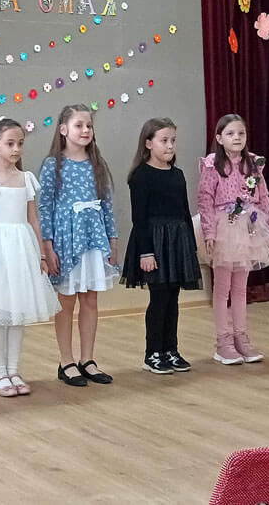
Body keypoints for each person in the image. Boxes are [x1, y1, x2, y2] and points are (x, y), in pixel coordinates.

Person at [0, 117, 60, 396]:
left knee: (17, 312)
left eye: (20, 143)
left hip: (21, 248)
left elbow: (33, 219)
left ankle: (14, 370)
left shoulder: (26, 178)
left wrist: (41, 255)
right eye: (10, 143)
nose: (16, 149)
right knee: (0, 312)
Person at [39, 104, 118, 387]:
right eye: (79, 125)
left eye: (89, 126)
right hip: (66, 240)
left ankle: (88, 359)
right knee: (66, 301)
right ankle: (66, 361)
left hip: (92, 238)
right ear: (64, 130)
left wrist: (112, 239)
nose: (85, 130)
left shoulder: (97, 164)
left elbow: (107, 204)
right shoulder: (53, 165)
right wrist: (47, 246)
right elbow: (44, 207)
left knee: (90, 300)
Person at [120, 118, 201, 374]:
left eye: (173, 140)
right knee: (159, 298)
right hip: (154, 242)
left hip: (176, 241)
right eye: (164, 140)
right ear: (148, 143)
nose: (170, 146)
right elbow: (139, 218)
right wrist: (146, 252)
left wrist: (190, 246)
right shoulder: (141, 176)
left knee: (173, 298)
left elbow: (185, 212)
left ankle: (170, 349)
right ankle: (152, 353)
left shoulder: (177, 175)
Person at [197, 113, 269, 364]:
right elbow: (205, 200)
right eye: (230, 133)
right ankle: (223, 342)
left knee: (241, 288)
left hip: (249, 228)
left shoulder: (253, 164)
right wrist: (210, 232)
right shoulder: (212, 165)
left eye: (241, 133)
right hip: (224, 228)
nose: (237, 138)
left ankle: (241, 338)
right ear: (219, 138)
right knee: (222, 288)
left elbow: (263, 198)